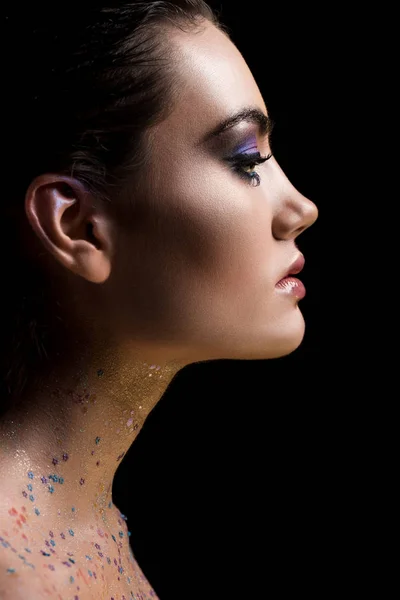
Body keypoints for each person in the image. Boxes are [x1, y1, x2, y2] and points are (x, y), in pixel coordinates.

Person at [0, 1, 318, 598]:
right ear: (80, 227)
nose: (301, 208)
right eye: (246, 159)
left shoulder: (90, 532)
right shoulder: (17, 572)